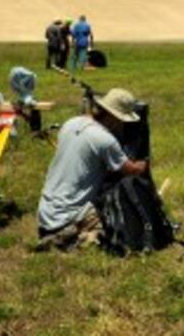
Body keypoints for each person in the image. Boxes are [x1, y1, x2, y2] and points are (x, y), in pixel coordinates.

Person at [36, 87, 148, 250]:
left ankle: (55, 233)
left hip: (46, 213)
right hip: (68, 214)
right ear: (114, 116)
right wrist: (143, 164)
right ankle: (73, 237)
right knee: (112, 221)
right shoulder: (105, 140)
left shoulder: (71, 123)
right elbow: (130, 170)